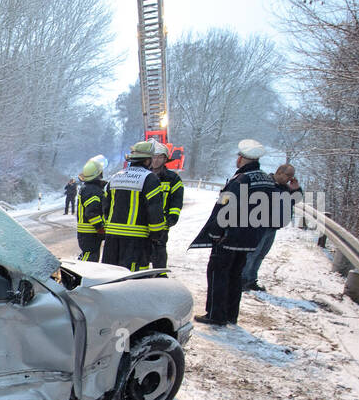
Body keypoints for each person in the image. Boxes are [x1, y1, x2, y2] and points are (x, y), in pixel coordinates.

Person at [191, 139, 281, 326]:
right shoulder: (267, 180)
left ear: (241, 159)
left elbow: (224, 209)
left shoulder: (239, 180)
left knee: (218, 273)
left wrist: (216, 233)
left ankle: (215, 315)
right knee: (235, 275)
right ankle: (231, 314)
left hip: (229, 236)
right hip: (251, 238)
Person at [102, 141, 166, 272]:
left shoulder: (115, 177)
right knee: (133, 276)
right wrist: (156, 234)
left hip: (112, 237)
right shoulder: (150, 179)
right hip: (136, 239)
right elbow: (154, 210)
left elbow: (105, 207)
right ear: (147, 160)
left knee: (110, 273)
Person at [242, 163, 301, 291]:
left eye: (292, 176)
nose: (290, 179)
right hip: (260, 225)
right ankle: (242, 281)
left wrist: (296, 189)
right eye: (288, 175)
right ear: (279, 172)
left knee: (261, 254)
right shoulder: (267, 183)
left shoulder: (285, 188)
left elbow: (295, 201)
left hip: (273, 227)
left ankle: (251, 280)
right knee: (252, 254)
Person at [148, 141, 184, 270]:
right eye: (153, 157)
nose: (156, 160)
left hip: (161, 223)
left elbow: (176, 201)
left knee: (159, 250)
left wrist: (171, 219)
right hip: (141, 222)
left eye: (159, 157)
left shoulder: (172, 178)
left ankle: (160, 275)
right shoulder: (143, 175)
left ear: (165, 159)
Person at [75, 157, 108, 261]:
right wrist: (100, 228)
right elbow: (92, 213)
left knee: (89, 255)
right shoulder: (92, 191)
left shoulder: (87, 188)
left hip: (86, 232)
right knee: (89, 259)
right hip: (90, 232)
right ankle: (81, 275)